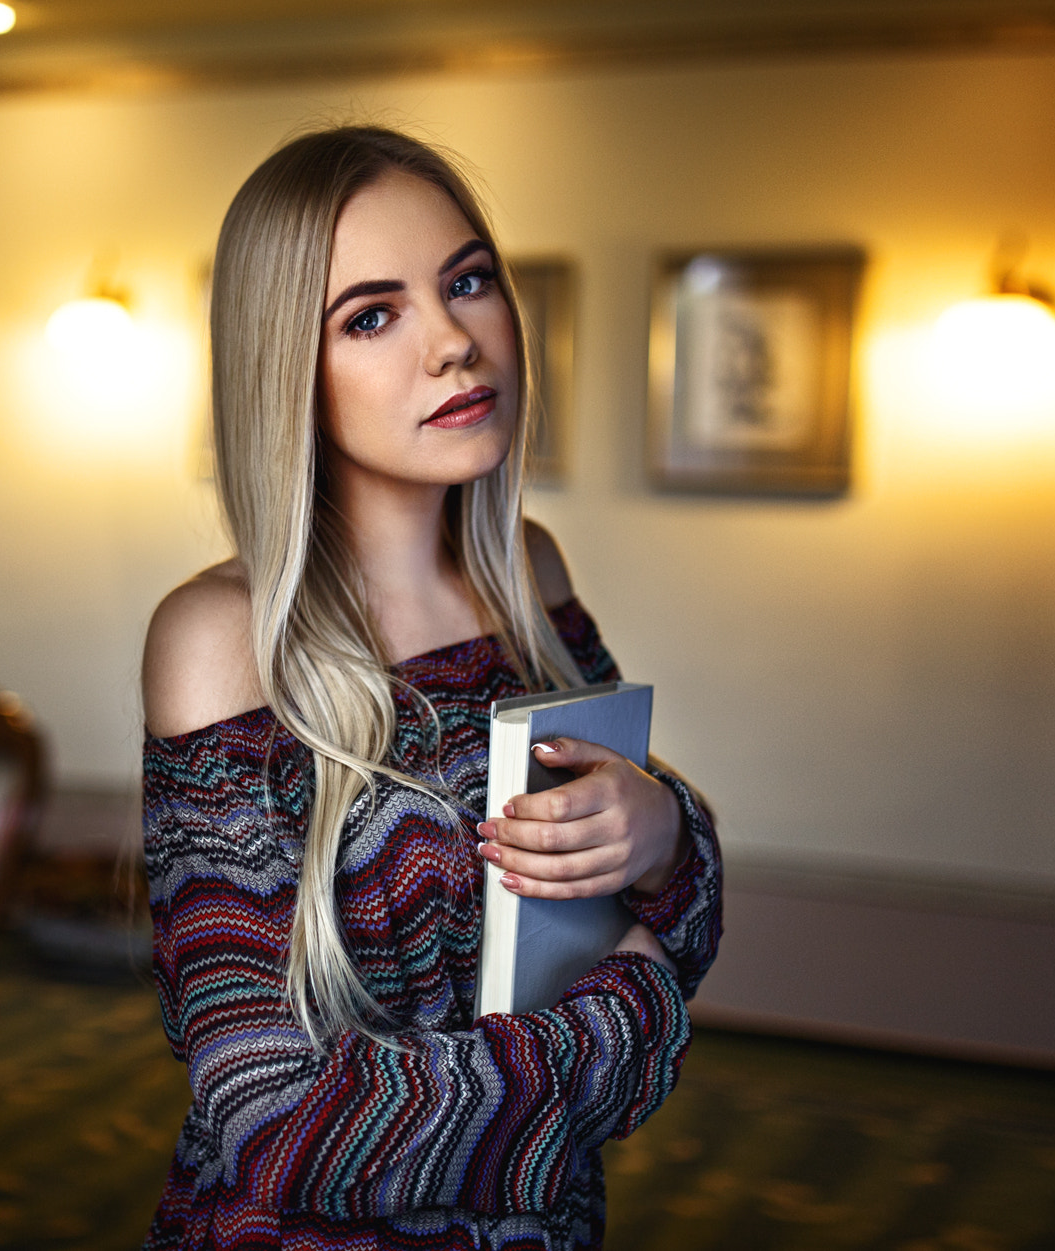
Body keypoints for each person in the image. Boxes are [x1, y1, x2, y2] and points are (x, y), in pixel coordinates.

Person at [138, 125, 724, 1250]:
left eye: (466, 283)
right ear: (285, 372)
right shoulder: (219, 640)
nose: (455, 343)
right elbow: (276, 1121)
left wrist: (658, 833)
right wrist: (627, 1020)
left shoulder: (529, 575)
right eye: (370, 315)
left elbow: (649, 914)